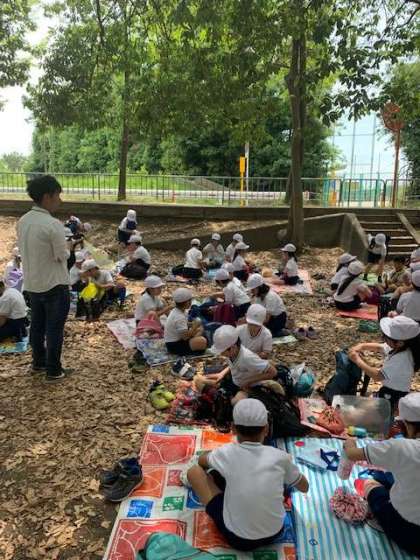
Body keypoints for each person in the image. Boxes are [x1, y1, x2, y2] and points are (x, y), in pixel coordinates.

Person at [186, 398, 309, 551]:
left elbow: (201, 461)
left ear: (233, 428)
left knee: (194, 473)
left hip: (238, 540)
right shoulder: (281, 457)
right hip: (275, 532)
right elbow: (304, 487)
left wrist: (212, 457)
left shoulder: (226, 453)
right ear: (266, 429)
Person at [344, 392, 420, 557]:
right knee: (387, 476)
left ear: (408, 425)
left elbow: (352, 454)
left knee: (368, 482)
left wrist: (349, 442)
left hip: (410, 532)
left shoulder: (402, 447)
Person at [17, 175, 71, 382]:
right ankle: (53, 370)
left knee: (37, 325)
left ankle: (38, 362)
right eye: (58, 195)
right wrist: (69, 247)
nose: (60, 200)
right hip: (54, 284)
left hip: (33, 283)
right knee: (54, 329)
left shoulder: (23, 221)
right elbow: (61, 256)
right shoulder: (52, 224)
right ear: (47, 196)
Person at [348, 316, 420, 411]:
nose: (383, 339)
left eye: (386, 338)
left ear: (400, 343)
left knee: (357, 410)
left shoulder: (401, 359)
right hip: (390, 389)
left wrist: (357, 360)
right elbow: (380, 347)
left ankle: (391, 410)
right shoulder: (401, 347)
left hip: (393, 394)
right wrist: (362, 346)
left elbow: (377, 376)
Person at [209, 325, 277, 404]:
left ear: (233, 347)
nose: (221, 354)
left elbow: (273, 372)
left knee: (235, 402)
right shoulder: (232, 353)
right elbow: (235, 365)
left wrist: (248, 382)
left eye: (222, 352)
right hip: (236, 381)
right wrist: (222, 373)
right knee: (201, 381)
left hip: (250, 386)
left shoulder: (247, 358)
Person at [164, 287, 207, 355]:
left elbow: (183, 324)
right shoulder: (179, 316)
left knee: (200, 329)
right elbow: (185, 337)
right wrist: (195, 326)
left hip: (177, 339)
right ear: (187, 302)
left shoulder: (178, 311)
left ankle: (195, 346)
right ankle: (195, 351)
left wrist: (192, 324)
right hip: (174, 346)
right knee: (202, 341)